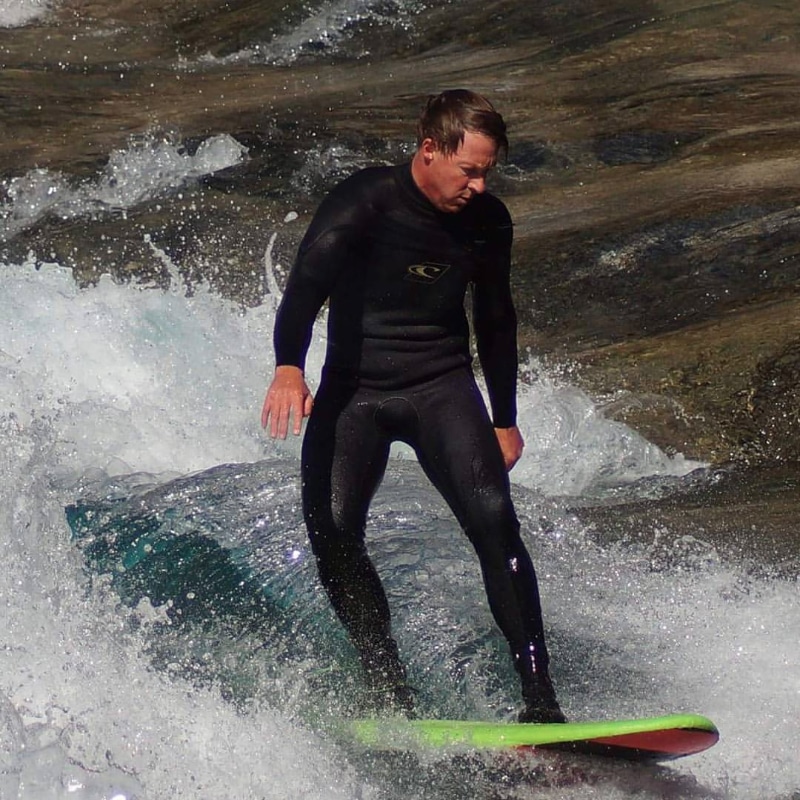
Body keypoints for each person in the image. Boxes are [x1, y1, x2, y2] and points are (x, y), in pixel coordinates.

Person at [261, 89, 565, 724]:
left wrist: (504, 418)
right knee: (334, 533)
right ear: (430, 149)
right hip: (354, 391)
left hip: (441, 386)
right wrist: (289, 365)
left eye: (488, 171)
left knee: (494, 522)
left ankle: (541, 706)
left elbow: (496, 318)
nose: (480, 185)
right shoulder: (362, 204)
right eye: (470, 169)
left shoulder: (487, 221)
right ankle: (390, 691)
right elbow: (304, 289)